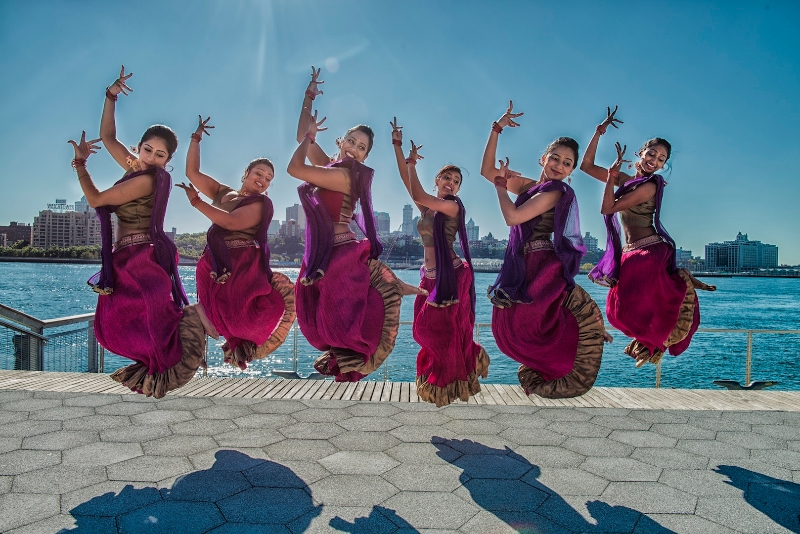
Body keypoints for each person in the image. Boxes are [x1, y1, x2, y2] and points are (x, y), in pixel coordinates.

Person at [69, 67, 208, 398]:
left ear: (168, 160)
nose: (152, 157)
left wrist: (81, 166)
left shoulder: (148, 178)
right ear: (141, 147)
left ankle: (202, 320)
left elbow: (97, 199)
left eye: (161, 155)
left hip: (141, 257)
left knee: (148, 324)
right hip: (125, 257)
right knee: (115, 326)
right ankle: (157, 360)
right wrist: (110, 95)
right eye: (148, 150)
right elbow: (107, 137)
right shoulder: (136, 168)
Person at [288, 67, 426, 382]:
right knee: (319, 318)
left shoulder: (345, 174)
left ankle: (390, 290)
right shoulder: (332, 166)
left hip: (340, 254)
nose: (353, 148)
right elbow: (301, 138)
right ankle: (392, 285)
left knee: (337, 322)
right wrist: (308, 98)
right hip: (326, 253)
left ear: (364, 157)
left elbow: (295, 167)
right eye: (351, 140)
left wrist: (310, 136)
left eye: (361, 147)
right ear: (342, 141)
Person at [481, 102, 608, 398]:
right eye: (555, 158)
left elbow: (512, 217)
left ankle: (558, 364)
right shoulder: (529, 187)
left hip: (541, 263)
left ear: (572, 171)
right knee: (507, 329)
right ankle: (540, 365)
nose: (559, 166)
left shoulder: (556, 191)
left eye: (567, 163)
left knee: (526, 327)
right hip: (522, 262)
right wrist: (496, 128)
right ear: (543, 159)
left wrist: (501, 188)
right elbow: (487, 170)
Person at [582, 106, 715, 367]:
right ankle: (648, 340)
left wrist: (610, 179)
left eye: (662, 159)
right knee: (616, 312)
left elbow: (607, 208)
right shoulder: (628, 180)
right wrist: (599, 132)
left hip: (648, 251)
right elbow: (586, 166)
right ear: (640, 154)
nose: (655, 160)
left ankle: (654, 342)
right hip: (630, 252)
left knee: (627, 310)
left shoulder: (650, 185)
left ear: (663, 166)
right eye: (651, 153)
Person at [176, 115, 296, 370]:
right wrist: (195, 138)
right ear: (246, 173)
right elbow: (192, 172)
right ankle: (198, 330)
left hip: (240, 266)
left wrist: (197, 202)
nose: (262, 180)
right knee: (224, 317)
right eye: (259, 173)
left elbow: (230, 222)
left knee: (254, 314)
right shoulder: (223, 192)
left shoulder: (261, 204)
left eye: (268, 179)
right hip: (215, 264)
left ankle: (213, 336)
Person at [390, 118, 489, 406]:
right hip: (431, 275)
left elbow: (417, 192)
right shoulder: (429, 207)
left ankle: (460, 367)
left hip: (452, 275)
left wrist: (412, 165)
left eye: (456, 181)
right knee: (422, 330)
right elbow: (407, 183)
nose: (451, 184)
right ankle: (462, 360)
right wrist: (399, 148)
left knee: (433, 330)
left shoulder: (452, 206)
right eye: (447, 178)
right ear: (437, 179)